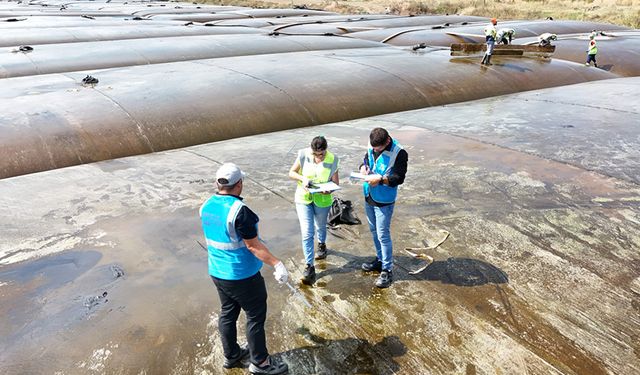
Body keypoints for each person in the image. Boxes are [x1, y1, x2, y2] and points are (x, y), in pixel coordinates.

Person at [200, 163, 289, 375]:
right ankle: (260, 362)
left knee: (228, 313)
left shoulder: (206, 205)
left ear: (218, 183)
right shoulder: (241, 212)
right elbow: (253, 246)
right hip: (242, 275)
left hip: (217, 272)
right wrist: (277, 264)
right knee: (255, 316)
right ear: (239, 184)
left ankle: (231, 355)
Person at [359, 128, 408, 288]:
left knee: (383, 235)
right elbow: (366, 159)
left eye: (377, 148)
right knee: (374, 231)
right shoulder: (373, 145)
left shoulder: (399, 153)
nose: (374, 150)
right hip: (369, 196)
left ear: (387, 141)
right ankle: (380, 260)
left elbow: (398, 178)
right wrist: (363, 167)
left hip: (384, 200)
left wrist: (380, 180)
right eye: (373, 147)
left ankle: (387, 270)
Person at [288, 136, 339, 285]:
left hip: (323, 200)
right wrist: (303, 179)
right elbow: (292, 172)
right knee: (307, 232)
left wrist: (328, 190)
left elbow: (335, 182)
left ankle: (322, 244)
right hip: (303, 198)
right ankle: (309, 266)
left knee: (320, 226)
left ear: (325, 149)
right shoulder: (303, 154)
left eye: (321, 154)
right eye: (315, 154)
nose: (318, 156)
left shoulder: (333, 159)